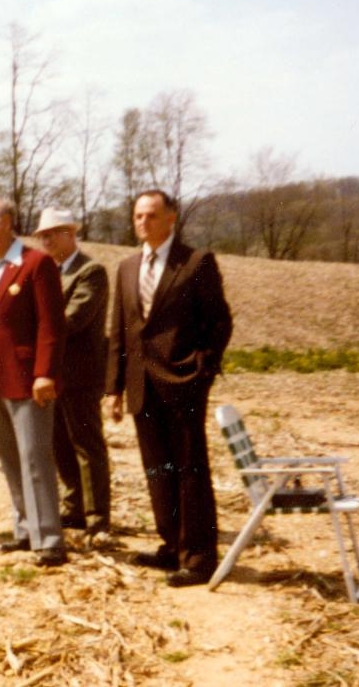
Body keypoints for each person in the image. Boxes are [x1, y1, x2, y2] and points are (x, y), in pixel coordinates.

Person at [105, 189, 233, 587]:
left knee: (190, 470)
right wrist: (113, 389)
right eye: (138, 216)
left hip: (183, 386)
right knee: (158, 469)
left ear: (171, 218)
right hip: (142, 387)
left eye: (151, 215)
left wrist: (201, 370)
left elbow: (220, 323)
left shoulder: (196, 262)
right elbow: (120, 334)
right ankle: (170, 546)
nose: (143, 222)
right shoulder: (126, 268)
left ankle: (198, 557)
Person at [0, 196, 68, 567]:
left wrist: (45, 373)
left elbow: (51, 325)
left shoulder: (35, 264)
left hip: (28, 380)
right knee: (10, 458)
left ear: (7, 222)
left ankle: (50, 540)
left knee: (35, 458)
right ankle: (25, 530)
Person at [33, 206, 112, 542]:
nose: (46, 240)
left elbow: (71, 320)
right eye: (42, 236)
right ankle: (74, 507)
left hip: (80, 374)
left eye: (52, 233)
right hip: (51, 373)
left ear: (71, 233)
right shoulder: (45, 271)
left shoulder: (90, 272)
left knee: (85, 444)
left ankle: (97, 517)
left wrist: (29, 330)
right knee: (59, 443)